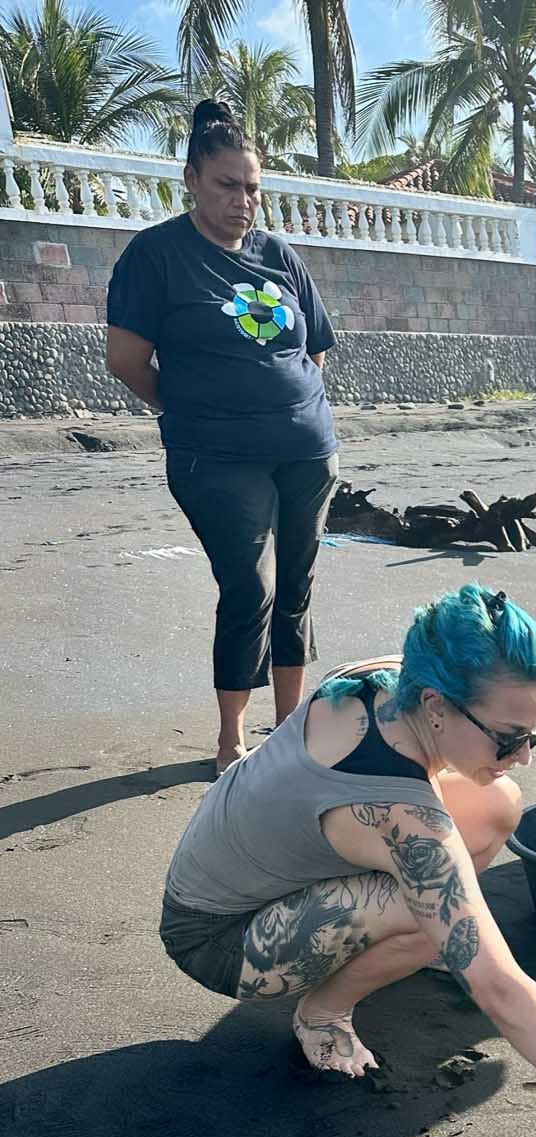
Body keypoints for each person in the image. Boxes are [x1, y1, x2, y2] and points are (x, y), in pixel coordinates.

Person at [158, 583, 536, 1137]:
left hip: (269, 864)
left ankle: (402, 945)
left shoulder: (387, 679)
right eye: (508, 737)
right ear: (437, 705)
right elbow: (501, 988)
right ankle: (322, 1010)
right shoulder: (403, 818)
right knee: (440, 911)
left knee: (498, 801)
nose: (524, 752)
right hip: (219, 939)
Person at [106, 99, 341, 773]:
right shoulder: (155, 256)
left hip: (305, 450)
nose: (243, 201)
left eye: (253, 188)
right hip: (215, 457)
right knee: (250, 587)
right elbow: (126, 361)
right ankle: (232, 736)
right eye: (227, 185)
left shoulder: (279, 255)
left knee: (296, 587)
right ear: (191, 180)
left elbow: (314, 351)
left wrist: (290, 407)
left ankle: (291, 728)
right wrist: (183, 410)